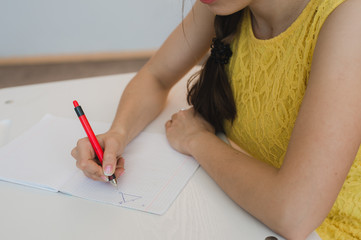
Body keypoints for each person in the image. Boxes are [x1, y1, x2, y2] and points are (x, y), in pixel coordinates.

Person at [71, 0, 361, 239]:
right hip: (243, 213)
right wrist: (118, 133)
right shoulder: (224, 5)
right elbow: (156, 77)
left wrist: (197, 140)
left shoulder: (349, 20)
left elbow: (295, 214)